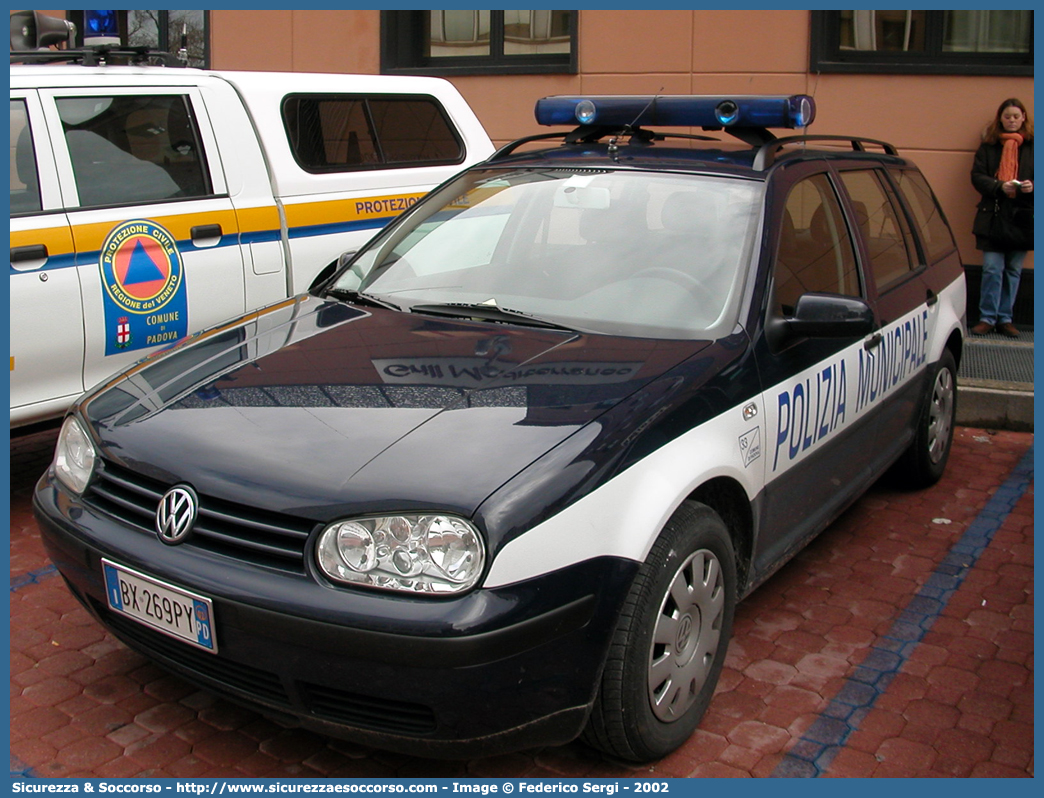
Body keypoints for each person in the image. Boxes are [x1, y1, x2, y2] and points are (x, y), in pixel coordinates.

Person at [970, 98, 1034, 337]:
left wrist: (1031, 187)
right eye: (1007, 116)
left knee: (1013, 270)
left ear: (1024, 118)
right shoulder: (989, 145)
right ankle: (987, 317)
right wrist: (999, 186)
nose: (1012, 121)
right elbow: (977, 176)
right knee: (992, 269)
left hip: (1022, 218)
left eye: (1016, 116)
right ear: (1000, 119)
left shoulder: (1033, 145)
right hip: (993, 216)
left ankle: (1005, 318)